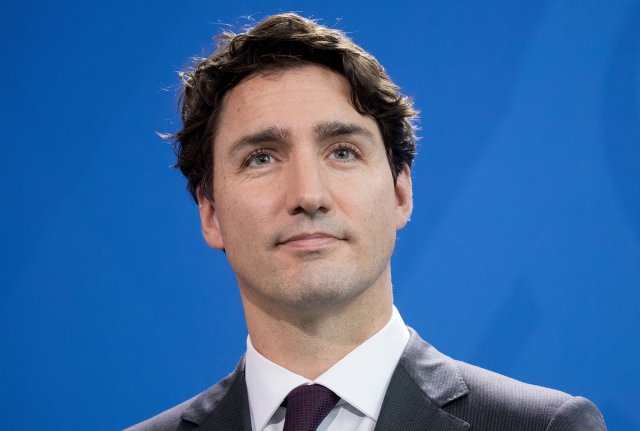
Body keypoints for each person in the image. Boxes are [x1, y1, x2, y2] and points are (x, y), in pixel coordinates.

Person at [127, 12, 606, 431]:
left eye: (342, 151)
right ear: (210, 213)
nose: (308, 195)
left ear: (401, 191)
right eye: (261, 158)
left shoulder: (541, 426)